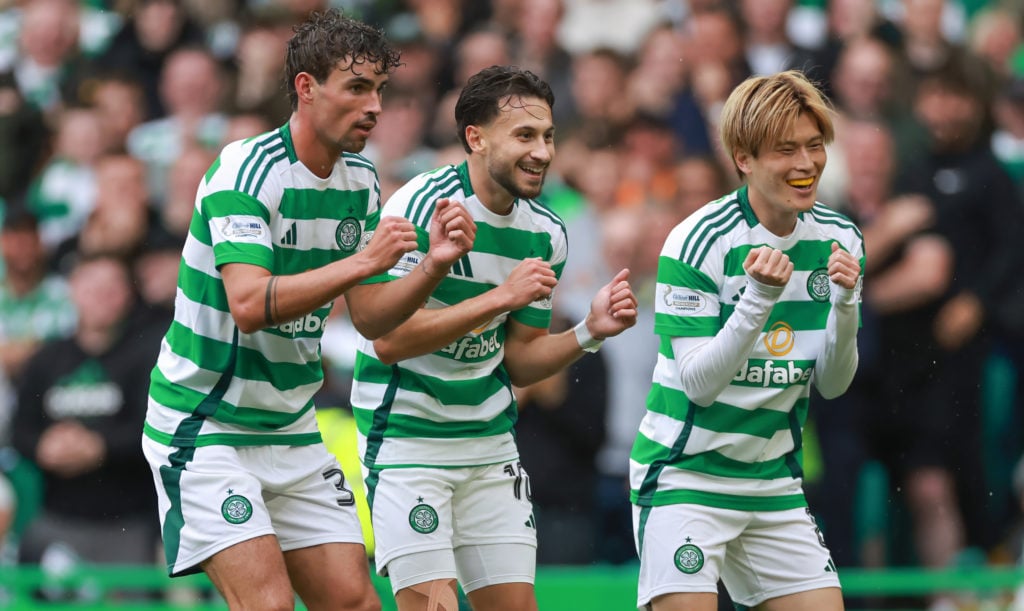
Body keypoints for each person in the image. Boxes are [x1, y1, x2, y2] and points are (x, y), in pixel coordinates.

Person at [140, 10, 476, 611]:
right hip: (205, 422)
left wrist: (433, 266)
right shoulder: (244, 171)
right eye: (356, 88)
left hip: (291, 424)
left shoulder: (362, 180)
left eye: (379, 90)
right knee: (268, 604)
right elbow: (248, 303)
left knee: (353, 602)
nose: (374, 106)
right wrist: (361, 263)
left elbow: (370, 318)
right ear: (305, 88)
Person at [349, 65, 638, 611]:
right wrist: (498, 298)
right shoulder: (418, 209)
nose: (542, 152)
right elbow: (387, 339)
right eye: (525, 136)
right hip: (409, 441)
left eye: (548, 136)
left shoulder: (545, 232)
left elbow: (522, 361)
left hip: (489, 446)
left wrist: (589, 332)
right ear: (475, 138)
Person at [629, 70, 864, 611]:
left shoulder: (842, 238)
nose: (806, 165)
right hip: (684, 475)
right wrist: (758, 298)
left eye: (814, 146)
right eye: (786, 150)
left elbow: (832, 384)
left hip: (772, 480)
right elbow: (699, 385)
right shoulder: (696, 240)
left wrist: (847, 304)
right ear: (744, 158)